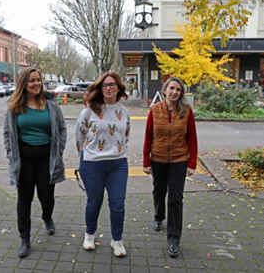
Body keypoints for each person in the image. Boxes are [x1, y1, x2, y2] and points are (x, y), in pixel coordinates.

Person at [3, 67, 67, 258]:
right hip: (25, 158)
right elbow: (7, 133)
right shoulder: (14, 105)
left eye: (38, 80)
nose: (36, 83)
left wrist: (59, 150)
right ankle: (25, 238)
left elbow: (62, 129)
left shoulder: (51, 104)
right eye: (32, 80)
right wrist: (10, 154)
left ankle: (47, 217)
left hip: (47, 157)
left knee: (47, 198)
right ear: (24, 83)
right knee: (24, 200)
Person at [75, 72, 131, 257]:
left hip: (118, 164)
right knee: (94, 202)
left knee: (118, 204)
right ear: (100, 88)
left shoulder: (124, 112)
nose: (108, 88)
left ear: (118, 88)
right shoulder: (89, 110)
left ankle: (117, 240)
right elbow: (80, 135)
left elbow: (125, 136)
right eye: (105, 85)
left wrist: (116, 150)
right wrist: (85, 156)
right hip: (92, 164)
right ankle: (90, 234)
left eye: (112, 84)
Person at [142, 76, 198, 258]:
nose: (174, 92)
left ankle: (174, 239)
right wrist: (146, 161)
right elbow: (148, 136)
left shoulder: (186, 111)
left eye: (178, 90)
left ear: (181, 93)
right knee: (159, 191)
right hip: (157, 159)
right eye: (172, 88)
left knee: (175, 198)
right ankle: (159, 217)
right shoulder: (155, 110)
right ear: (165, 90)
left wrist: (192, 163)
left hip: (178, 160)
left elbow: (192, 138)